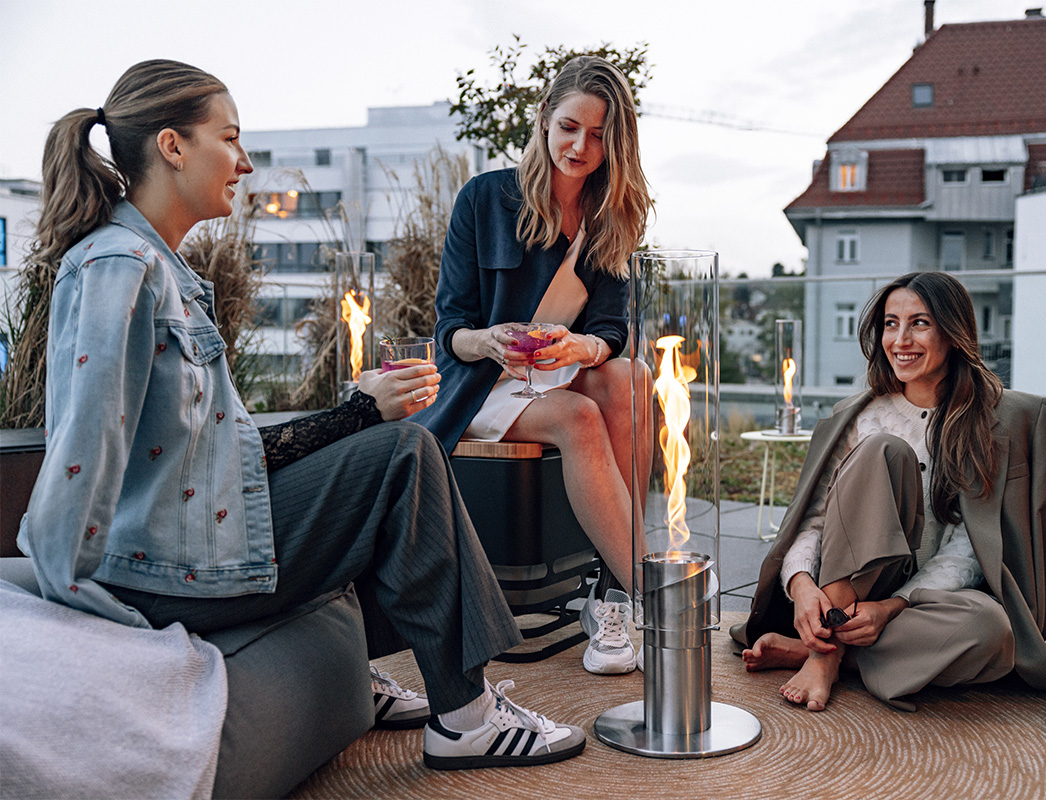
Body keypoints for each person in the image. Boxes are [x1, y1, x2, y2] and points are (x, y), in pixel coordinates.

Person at [19, 59, 585, 771]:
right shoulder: (118, 268)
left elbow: (214, 451)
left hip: (194, 542)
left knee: (386, 439)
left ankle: (362, 676)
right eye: (228, 139)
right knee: (405, 454)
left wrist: (356, 412)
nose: (245, 162)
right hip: (165, 572)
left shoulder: (159, 269)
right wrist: (83, 609)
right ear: (172, 146)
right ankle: (466, 717)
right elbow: (85, 445)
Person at [734, 271, 1046, 712]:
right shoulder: (862, 416)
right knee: (884, 452)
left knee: (992, 629)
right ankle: (824, 655)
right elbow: (815, 520)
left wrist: (890, 607)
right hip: (844, 583)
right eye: (890, 323)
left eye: (919, 323)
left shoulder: (991, 422)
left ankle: (829, 654)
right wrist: (803, 586)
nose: (900, 340)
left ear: (954, 332)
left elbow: (967, 551)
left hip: (919, 605)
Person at [411, 56, 653, 675]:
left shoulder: (608, 216)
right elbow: (449, 332)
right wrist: (488, 340)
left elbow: (610, 331)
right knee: (576, 416)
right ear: (544, 118)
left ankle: (615, 594)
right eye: (570, 126)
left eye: (599, 135)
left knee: (632, 378)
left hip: (557, 371)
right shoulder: (485, 199)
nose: (581, 145)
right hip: (484, 383)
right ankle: (654, 599)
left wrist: (585, 349)